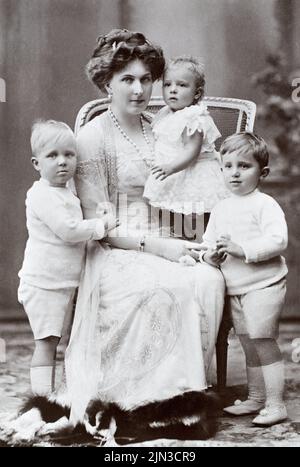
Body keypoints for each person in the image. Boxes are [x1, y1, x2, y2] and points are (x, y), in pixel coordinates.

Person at [62, 29, 225, 434]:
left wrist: (193, 240)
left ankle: (190, 393)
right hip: (116, 246)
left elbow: (194, 183)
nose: (139, 90)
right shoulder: (92, 137)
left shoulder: (164, 126)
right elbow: (99, 227)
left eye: (146, 79)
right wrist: (161, 248)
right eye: (127, 80)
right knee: (163, 286)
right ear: (106, 83)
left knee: (206, 278)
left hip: (171, 233)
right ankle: (149, 402)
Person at [18, 120, 118, 397]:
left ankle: (62, 391)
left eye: (69, 154)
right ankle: (41, 398)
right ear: (36, 163)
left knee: (64, 338)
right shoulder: (41, 195)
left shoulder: (66, 191)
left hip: (64, 280)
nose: (62, 162)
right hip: (44, 283)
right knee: (47, 340)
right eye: (53, 156)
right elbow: (68, 230)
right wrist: (101, 226)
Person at [197, 132, 288, 426]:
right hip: (235, 288)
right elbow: (207, 243)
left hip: (264, 284)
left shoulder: (264, 204)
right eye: (228, 166)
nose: (234, 173)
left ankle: (275, 403)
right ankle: (257, 397)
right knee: (248, 343)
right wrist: (209, 256)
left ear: (262, 173)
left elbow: (278, 240)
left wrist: (242, 249)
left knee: (263, 340)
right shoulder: (222, 207)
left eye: (244, 166)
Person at [143, 56, 230, 238]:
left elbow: (192, 150)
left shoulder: (193, 116)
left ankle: (200, 245)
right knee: (173, 216)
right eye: (167, 85)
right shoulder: (167, 113)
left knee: (195, 214)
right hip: (175, 172)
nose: (173, 90)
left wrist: (171, 167)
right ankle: (180, 243)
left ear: (196, 93)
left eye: (182, 85)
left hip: (193, 172)